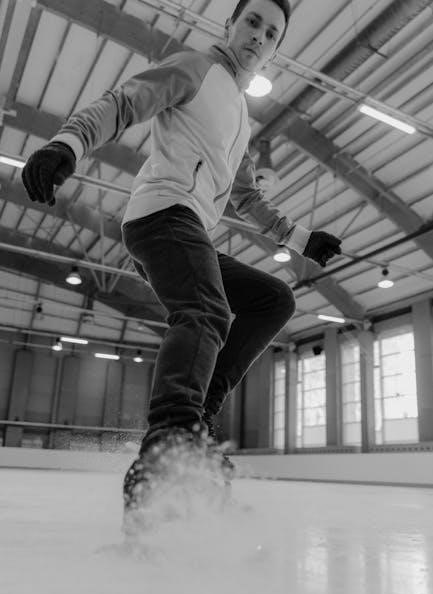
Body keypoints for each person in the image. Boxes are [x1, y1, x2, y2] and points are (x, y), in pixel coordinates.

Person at [21, 0, 341, 534]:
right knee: (206, 311)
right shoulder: (197, 69)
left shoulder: (240, 115)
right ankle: (166, 447)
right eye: (252, 22)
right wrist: (67, 143)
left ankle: (198, 423)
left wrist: (303, 239)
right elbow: (125, 102)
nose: (258, 36)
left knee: (273, 300)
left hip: (191, 229)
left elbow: (245, 196)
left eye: (271, 33)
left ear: (274, 50)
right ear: (230, 25)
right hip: (161, 215)